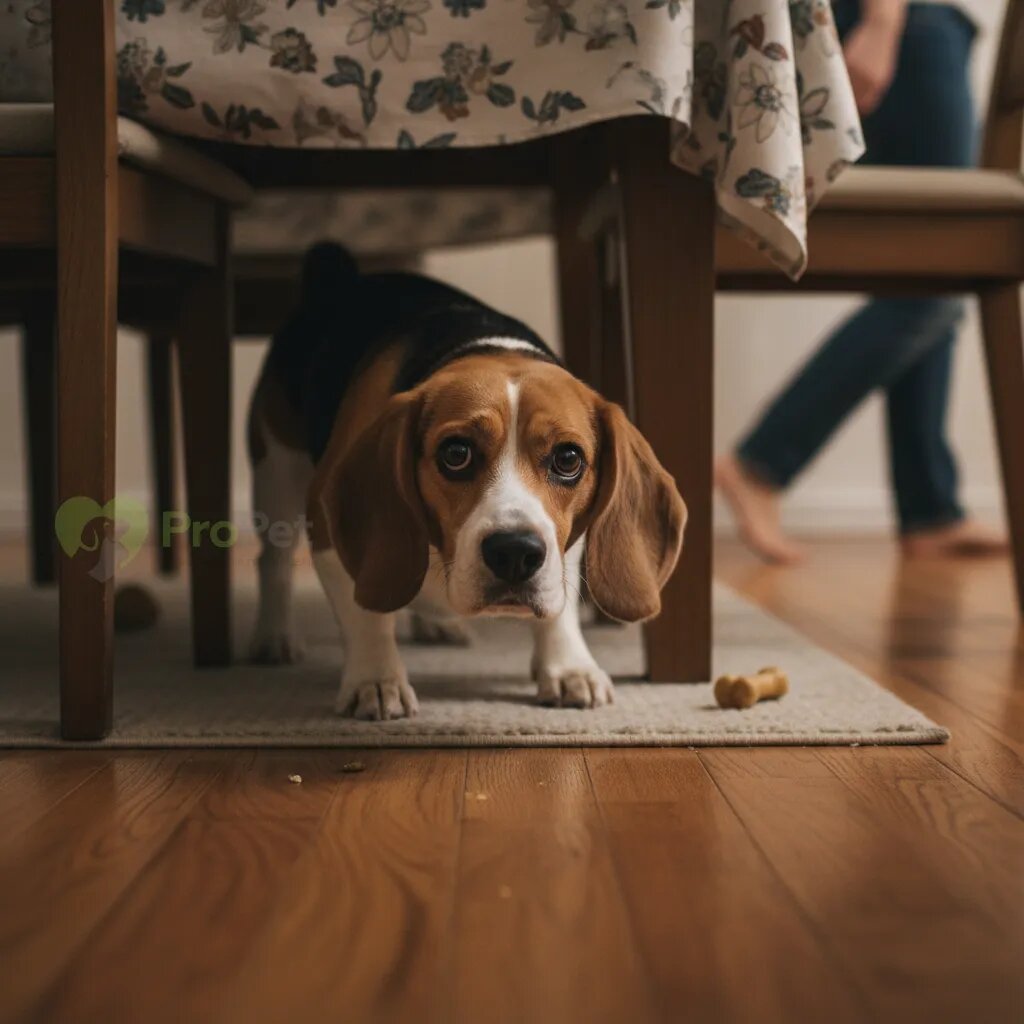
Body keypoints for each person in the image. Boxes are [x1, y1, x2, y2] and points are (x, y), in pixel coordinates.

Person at [716, 0, 1010, 563]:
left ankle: (930, 509)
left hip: (920, 26)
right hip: (909, 20)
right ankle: (762, 462)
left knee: (927, 280)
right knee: (945, 274)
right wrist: (885, 20)